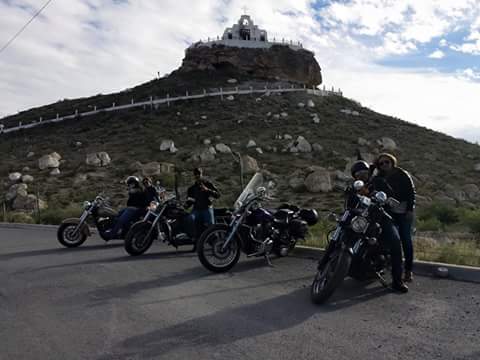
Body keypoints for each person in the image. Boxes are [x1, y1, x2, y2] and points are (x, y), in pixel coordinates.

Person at [349, 160, 408, 293]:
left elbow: (390, 195)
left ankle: (397, 281)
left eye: (364, 172)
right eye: (358, 174)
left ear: (369, 172)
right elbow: (349, 201)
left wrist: (383, 198)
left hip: (380, 217)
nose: (361, 175)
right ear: (354, 176)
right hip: (360, 217)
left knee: (395, 241)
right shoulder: (354, 186)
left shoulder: (378, 182)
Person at [374, 153, 416, 282]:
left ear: (392, 162)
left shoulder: (402, 174)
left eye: (387, 162)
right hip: (388, 212)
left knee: (406, 241)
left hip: (403, 211)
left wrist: (410, 209)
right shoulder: (379, 177)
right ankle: (383, 265)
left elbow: (411, 192)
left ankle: (408, 271)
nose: (384, 165)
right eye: (381, 163)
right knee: (388, 240)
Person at [186, 168, 220, 239]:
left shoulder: (208, 184)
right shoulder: (192, 188)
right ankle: (194, 237)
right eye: (195, 174)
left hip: (207, 208)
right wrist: (184, 206)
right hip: (196, 209)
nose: (197, 176)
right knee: (189, 219)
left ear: (202, 174)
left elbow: (217, 195)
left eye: (199, 174)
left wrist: (207, 190)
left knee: (211, 225)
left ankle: (215, 240)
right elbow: (190, 201)